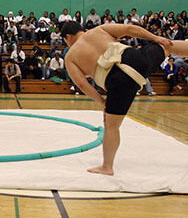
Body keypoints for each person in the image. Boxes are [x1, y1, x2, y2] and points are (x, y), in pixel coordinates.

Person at [62, 21, 187, 176]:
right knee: (169, 46)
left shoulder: (70, 56)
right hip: (135, 60)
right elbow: (129, 29)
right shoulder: (99, 30)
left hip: (117, 84)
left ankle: (107, 167)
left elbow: (82, 84)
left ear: (68, 37)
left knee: (112, 127)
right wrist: (156, 38)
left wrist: (103, 102)